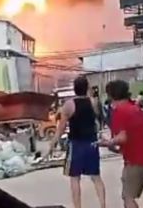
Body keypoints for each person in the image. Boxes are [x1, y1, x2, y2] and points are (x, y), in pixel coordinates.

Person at [46, 76, 106, 208]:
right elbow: (98, 119)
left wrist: (53, 143)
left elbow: (61, 128)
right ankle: (103, 205)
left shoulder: (69, 105)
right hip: (92, 143)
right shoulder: (93, 102)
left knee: (75, 179)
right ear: (87, 87)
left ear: (74, 88)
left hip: (76, 144)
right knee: (96, 177)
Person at [98, 80, 143, 208]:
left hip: (137, 160)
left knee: (128, 198)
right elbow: (133, 135)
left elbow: (122, 137)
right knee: (127, 196)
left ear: (111, 95)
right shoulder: (134, 108)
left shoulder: (120, 111)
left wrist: (106, 142)